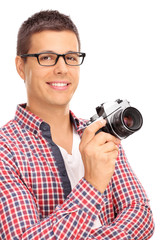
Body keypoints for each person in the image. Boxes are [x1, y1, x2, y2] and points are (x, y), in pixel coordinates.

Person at [0, 10, 154, 239]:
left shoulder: (99, 132)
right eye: (47, 57)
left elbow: (140, 214)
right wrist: (92, 184)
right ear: (21, 67)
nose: (62, 68)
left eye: (70, 57)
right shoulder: (5, 149)